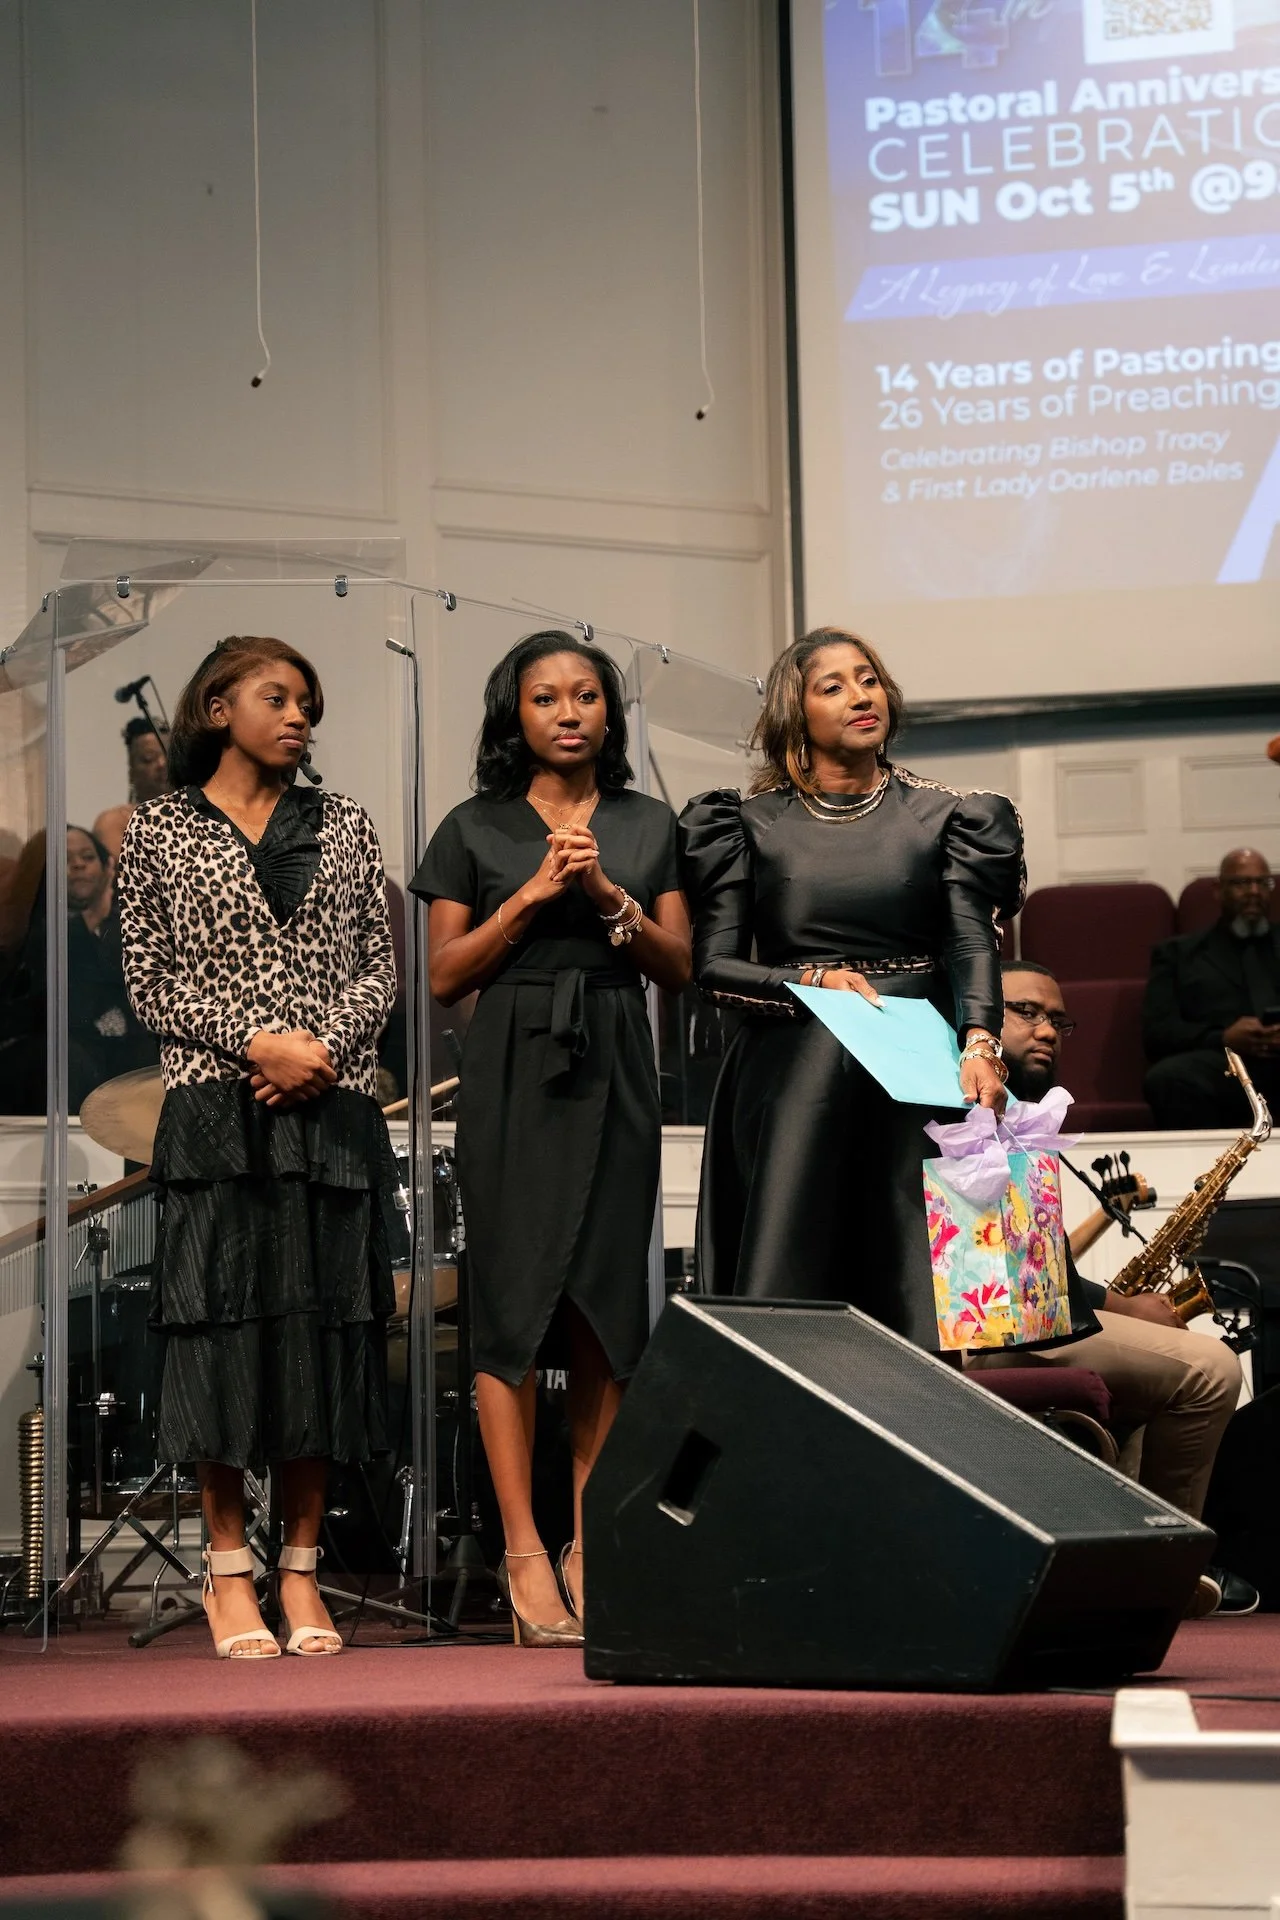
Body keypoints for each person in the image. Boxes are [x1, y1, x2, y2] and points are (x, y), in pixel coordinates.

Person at [679, 627, 1099, 1354]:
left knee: (935, 1306)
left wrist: (980, 1042)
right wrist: (809, 980)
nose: (859, 695)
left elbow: (971, 941)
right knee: (796, 1301)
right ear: (794, 711)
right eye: (833, 685)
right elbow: (713, 968)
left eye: (867, 678)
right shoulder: (745, 825)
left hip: (916, 1075)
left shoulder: (949, 817)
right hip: (795, 1085)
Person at [117, 635, 398, 1660]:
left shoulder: (348, 826)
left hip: (331, 1108)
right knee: (223, 1340)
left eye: (308, 704)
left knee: (323, 1335)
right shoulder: (160, 829)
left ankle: (302, 1570)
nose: (298, 718)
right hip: (214, 1107)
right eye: (277, 698)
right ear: (216, 705)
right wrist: (257, 1044)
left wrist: (317, 1052)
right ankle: (229, 1571)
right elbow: (150, 982)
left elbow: (381, 970)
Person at [411, 630, 691, 1645]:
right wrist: (533, 895)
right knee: (510, 1308)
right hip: (512, 1069)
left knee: (609, 1313)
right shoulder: (472, 828)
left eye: (585, 696)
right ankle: (521, 1551)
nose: (568, 712)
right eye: (544, 698)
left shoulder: (648, 821)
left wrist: (607, 897)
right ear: (512, 715)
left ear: (610, 715)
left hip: (615, 1057)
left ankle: (590, 1545)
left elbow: (678, 966)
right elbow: (444, 978)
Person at [972, 960, 1254, 1612]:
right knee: (1211, 1367)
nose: (1047, 1030)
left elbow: (1041, 1266)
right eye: (1027, 1012)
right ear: (983, 1018)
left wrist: (1117, 1306)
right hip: (993, 1328)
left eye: (1058, 1020)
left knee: (1168, 1366)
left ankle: (1122, 1556)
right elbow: (1012, 1283)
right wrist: (1121, 1306)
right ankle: (1159, 1568)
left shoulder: (1019, 1115)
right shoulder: (973, 1107)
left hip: (1029, 1314)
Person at [1144, 849, 1280, 1128]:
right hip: (1221, 1065)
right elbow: (1158, 1032)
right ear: (1218, 891)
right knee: (1168, 1078)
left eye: (1262, 883)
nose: (1253, 891)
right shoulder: (1179, 954)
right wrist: (1223, 1037)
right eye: (1241, 883)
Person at [65, 824, 156, 1101]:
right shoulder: (50, 935)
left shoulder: (134, 927)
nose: (78, 865)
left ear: (108, 866)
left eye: (87, 857)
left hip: (137, 1064)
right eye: (66, 860)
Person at [95, 717, 171, 863]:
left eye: (169, 755)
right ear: (132, 771)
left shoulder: (198, 813)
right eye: (149, 759)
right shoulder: (114, 822)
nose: (162, 764)